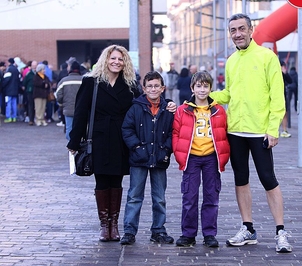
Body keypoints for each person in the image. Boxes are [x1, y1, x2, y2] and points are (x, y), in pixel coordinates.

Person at [209, 13, 292, 253]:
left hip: (260, 133)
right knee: (241, 179)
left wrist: (272, 128)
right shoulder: (232, 60)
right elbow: (229, 94)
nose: (237, 33)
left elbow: (277, 96)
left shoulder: (268, 57)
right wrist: (206, 97)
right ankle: (248, 228)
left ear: (251, 30)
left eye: (241, 29)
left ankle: (280, 232)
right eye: (233, 30)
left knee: (268, 179)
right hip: (235, 131)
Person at [67, 45, 141, 243]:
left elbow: (143, 106)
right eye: (113, 58)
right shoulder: (91, 82)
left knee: (116, 180)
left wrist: (167, 103)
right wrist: (74, 140)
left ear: (125, 62)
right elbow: (81, 113)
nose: (116, 62)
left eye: (120, 59)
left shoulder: (131, 84)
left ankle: (114, 225)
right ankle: (104, 225)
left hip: (120, 138)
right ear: (105, 60)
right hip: (98, 138)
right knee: (101, 180)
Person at [172, 71, 230, 248]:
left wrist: (223, 156)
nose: (202, 90)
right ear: (192, 88)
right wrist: (178, 152)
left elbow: (224, 133)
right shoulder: (183, 110)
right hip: (192, 158)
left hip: (211, 158)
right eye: (199, 86)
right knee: (189, 196)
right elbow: (176, 133)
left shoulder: (219, 110)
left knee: (211, 197)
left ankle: (209, 234)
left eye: (206, 86)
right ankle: (188, 234)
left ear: (211, 88)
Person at [120, 71, 175, 245]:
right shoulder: (136, 108)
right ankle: (129, 231)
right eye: (149, 86)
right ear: (143, 88)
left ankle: (158, 230)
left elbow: (174, 132)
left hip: (159, 158)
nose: (153, 89)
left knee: (159, 197)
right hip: (139, 158)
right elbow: (127, 129)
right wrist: (137, 147)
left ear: (162, 88)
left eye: (156, 86)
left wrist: (166, 149)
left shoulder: (168, 110)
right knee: (135, 195)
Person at [55, 61, 83, 140]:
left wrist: (61, 104)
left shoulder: (64, 81)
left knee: (69, 129)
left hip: (68, 108)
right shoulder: (84, 80)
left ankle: (71, 148)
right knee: (81, 129)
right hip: (81, 110)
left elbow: (58, 95)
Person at [2, 58, 21, 123]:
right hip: (15, 90)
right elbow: (19, 80)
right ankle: (14, 117)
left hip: (8, 90)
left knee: (8, 104)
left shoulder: (9, 69)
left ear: (9, 62)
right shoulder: (16, 69)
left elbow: (6, 80)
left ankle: (9, 117)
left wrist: (2, 86)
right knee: (14, 103)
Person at [22, 60, 38, 125]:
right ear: (31, 66)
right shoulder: (29, 74)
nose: (34, 67)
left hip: (38, 91)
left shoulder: (39, 73)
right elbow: (24, 82)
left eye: (35, 66)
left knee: (37, 106)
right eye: (33, 66)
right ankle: (31, 119)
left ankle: (38, 118)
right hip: (30, 91)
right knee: (31, 105)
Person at [280, 61, 292, 138]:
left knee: (284, 112)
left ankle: (284, 130)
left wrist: (285, 73)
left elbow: (290, 81)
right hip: (273, 94)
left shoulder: (283, 74)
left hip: (282, 94)